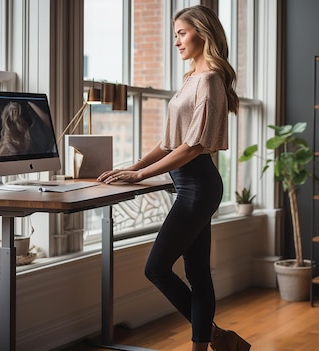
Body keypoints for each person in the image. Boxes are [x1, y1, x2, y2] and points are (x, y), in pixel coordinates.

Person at [97, 5, 250, 351]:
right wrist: (132, 166)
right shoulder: (190, 80)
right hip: (186, 185)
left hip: (198, 186)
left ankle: (216, 339)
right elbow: (168, 143)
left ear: (202, 33)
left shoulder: (210, 80)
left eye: (182, 33)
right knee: (197, 274)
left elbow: (193, 147)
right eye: (175, 34)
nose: (177, 41)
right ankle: (217, 342)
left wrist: (140, 174)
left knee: (157, 268)